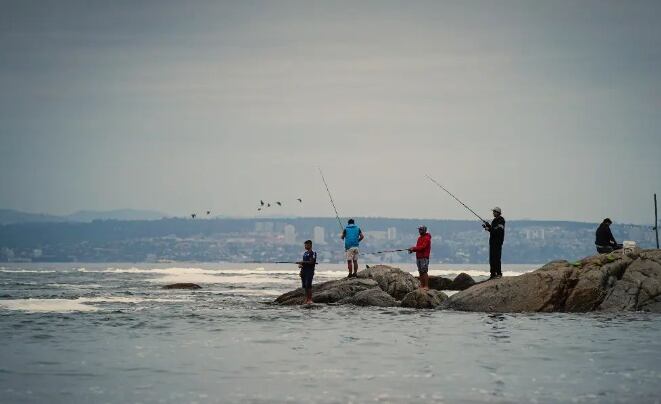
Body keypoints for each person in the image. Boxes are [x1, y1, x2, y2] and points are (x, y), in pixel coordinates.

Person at [483, 207, 505, 280]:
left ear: (498, 213)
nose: (493, 213)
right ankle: (492, 274)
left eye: (494, 212)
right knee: (492, 259)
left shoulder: (501, 220)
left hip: (497, 242)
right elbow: (493, 230)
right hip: (492, 242)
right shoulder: (494, 221)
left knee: (496, 258)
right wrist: (488, 226)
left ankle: (498, 274)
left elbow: (498, 231)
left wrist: (489, 229)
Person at [408, 225, 432, 290]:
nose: (419, 231)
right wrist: (412, 250)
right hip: (418, 257)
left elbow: (423, 247)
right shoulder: (419, 238)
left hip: (424, 257)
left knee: (424, 271)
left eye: (420, 230)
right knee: (420, 272)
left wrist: (413, 248)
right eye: (419, 229)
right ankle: (422, 286)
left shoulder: (427, 238)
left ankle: (426, 286)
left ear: (424, 230)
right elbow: (418, 248)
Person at [297, 240, 317, 304]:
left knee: (309, 285)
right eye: (305, 245)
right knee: (305, 286)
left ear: (310, 245)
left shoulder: (313, 253)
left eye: (306, 245)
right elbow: (304, 263)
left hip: (309, 271)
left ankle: (310, 299)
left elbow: (312, 262)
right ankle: (306, 299)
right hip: (304, 271)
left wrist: (302, 262)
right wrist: (301, 265)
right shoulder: (305, 253)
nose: (305, 246)